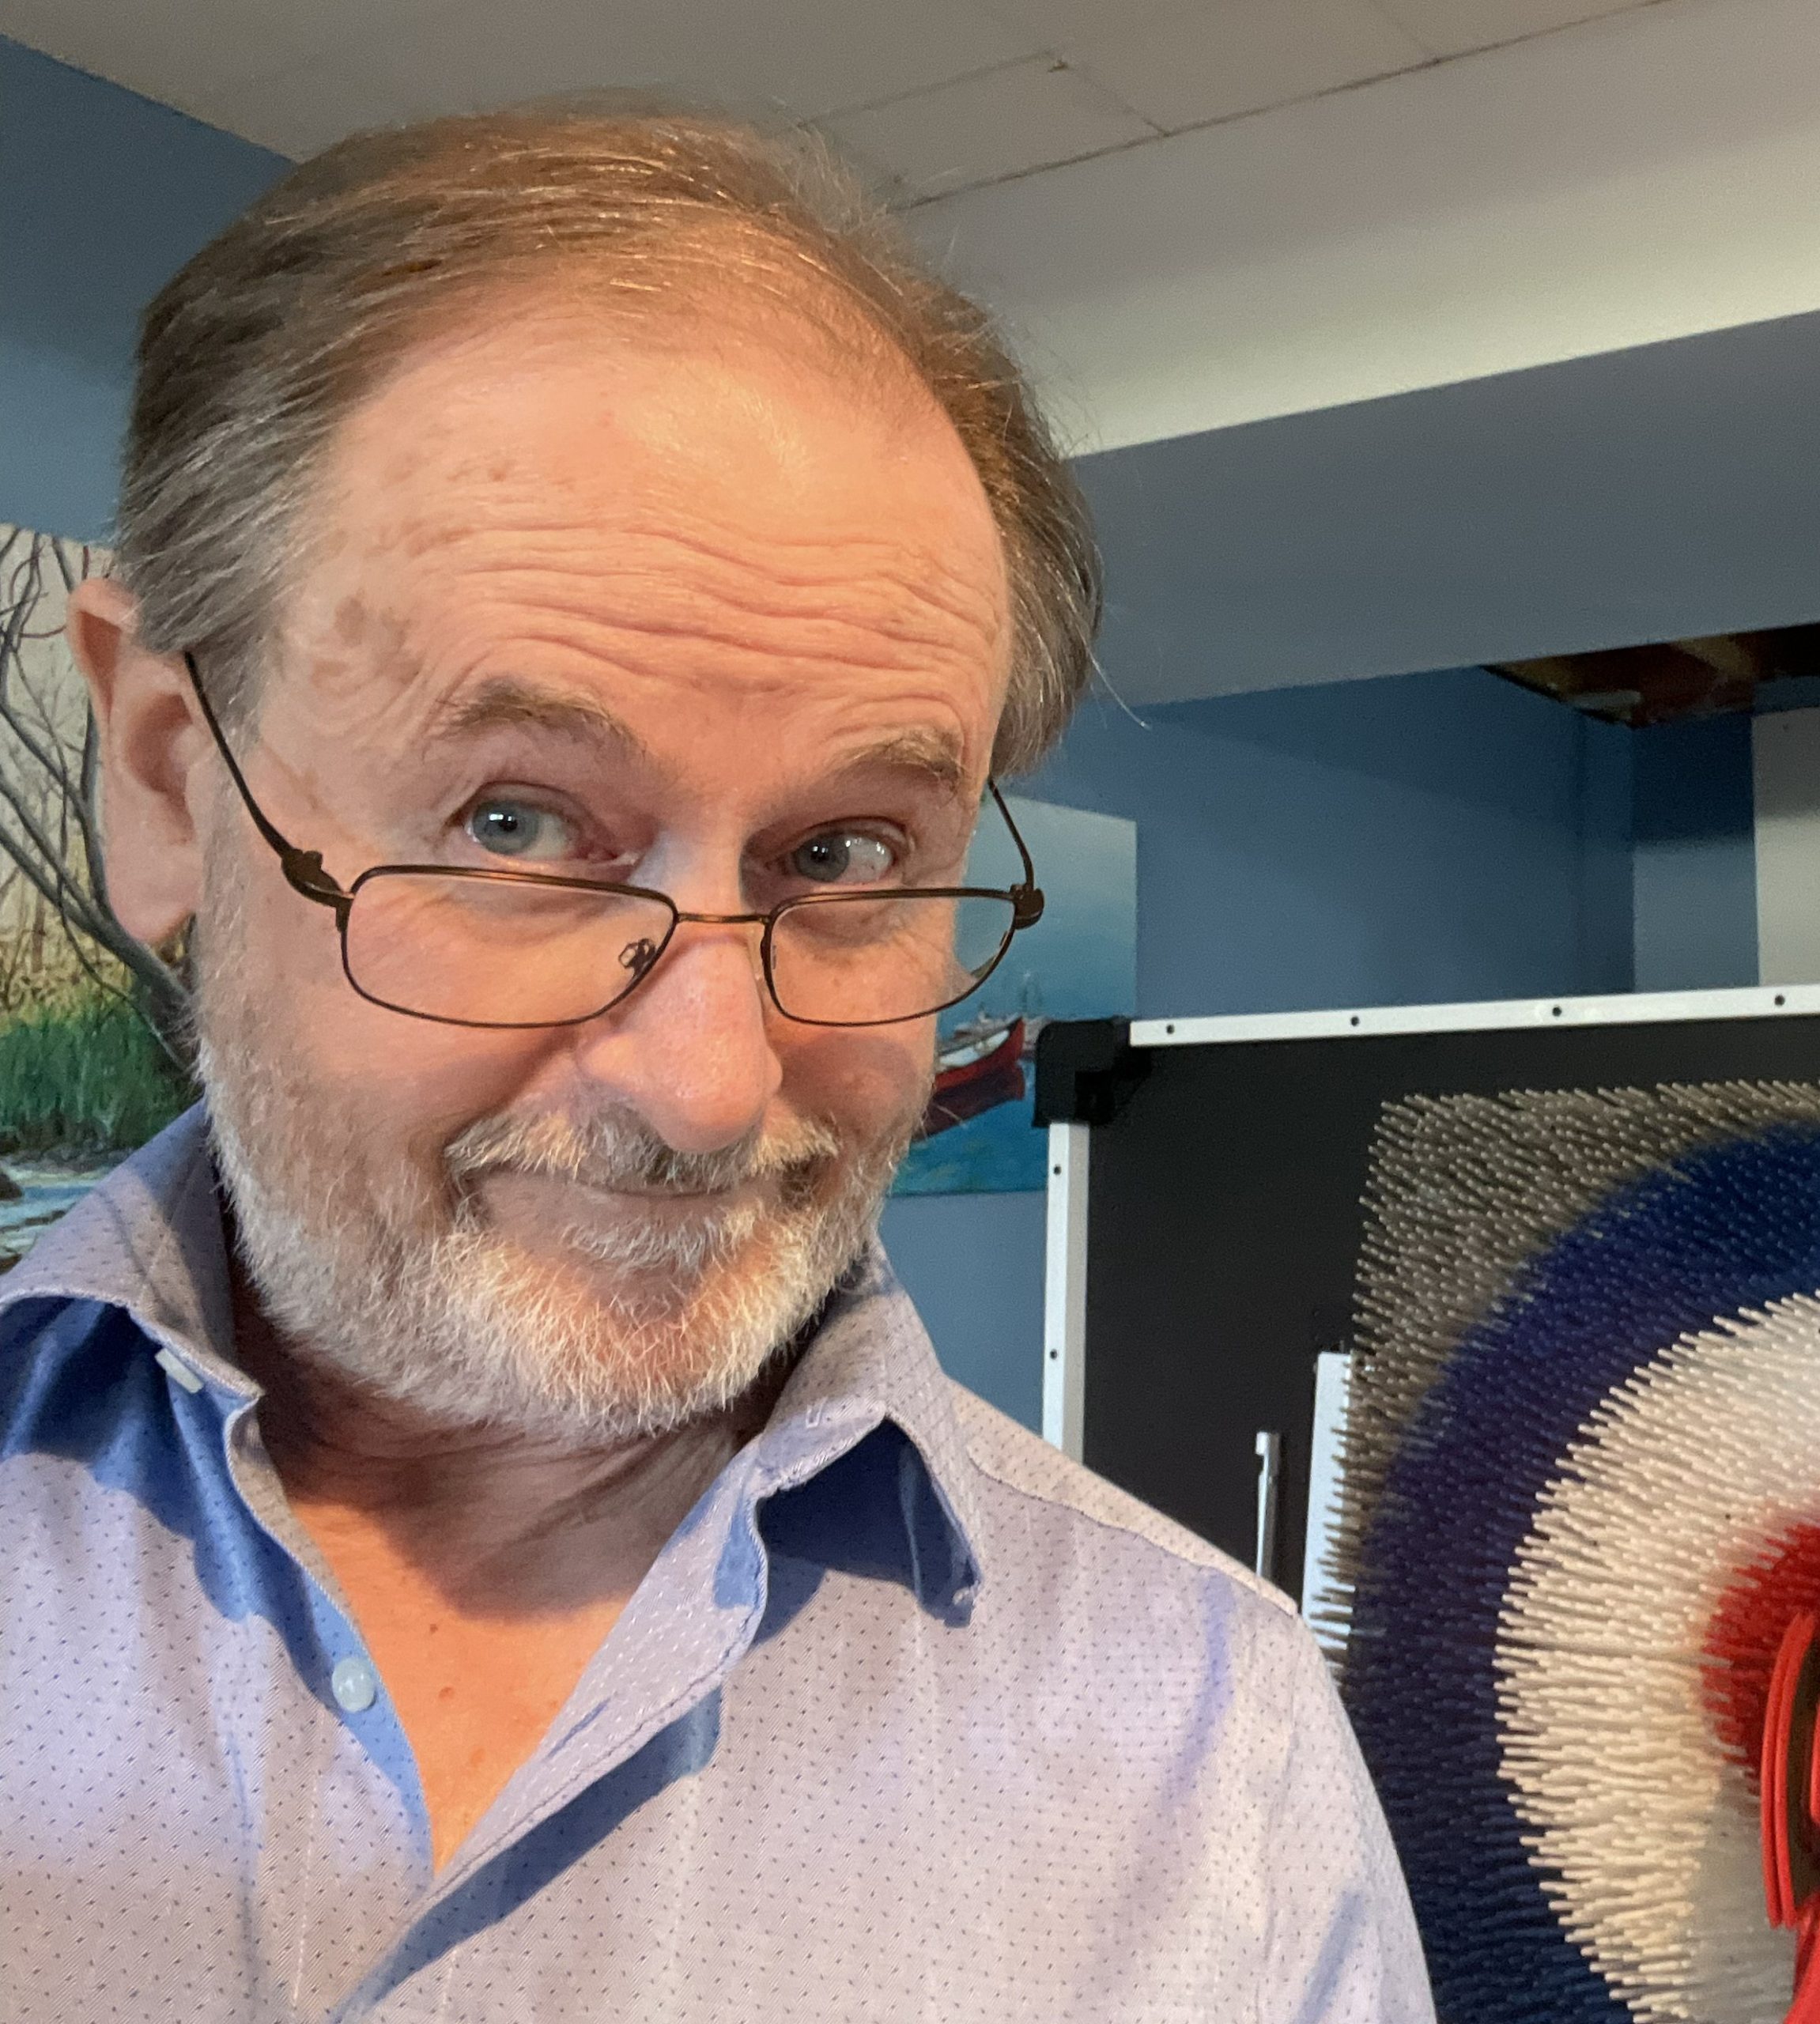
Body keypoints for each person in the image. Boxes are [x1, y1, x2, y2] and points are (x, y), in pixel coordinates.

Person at [1, 106, 1432, 2021]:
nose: (703, 1084)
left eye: (842, 853)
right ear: (169, 786)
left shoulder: (1205, 1758)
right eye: (514, 823)